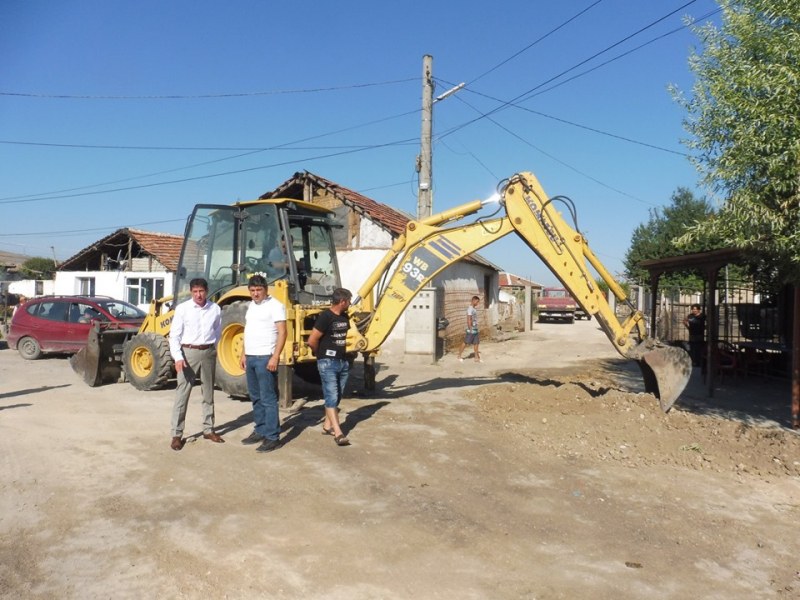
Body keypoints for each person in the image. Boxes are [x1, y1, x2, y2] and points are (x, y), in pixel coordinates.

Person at [168, 278, 223, 451]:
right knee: (182, 393)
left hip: (208, 353)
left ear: (206, 291)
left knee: (208, 393)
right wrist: (178, 357)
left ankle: (208, 429)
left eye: (201, 291)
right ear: (191, 292)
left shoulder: (215, 309)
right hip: (188, 353)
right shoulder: (183, 309)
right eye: (195, 292)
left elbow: (218, 331)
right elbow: (174, 335)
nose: (198, 295)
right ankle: (177, 434)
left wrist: (212, 348)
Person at [238, 274, 287, 454]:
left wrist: (275, 357)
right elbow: (248, 330)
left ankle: (273, 437)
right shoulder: (251, 306)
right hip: (251, 357)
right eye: (252, 290)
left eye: (259, 290)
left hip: (265, 357)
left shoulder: (275, 306)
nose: (256, 293)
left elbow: (282, 333)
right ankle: (260, 430)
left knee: (268, 399)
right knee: (256, 397)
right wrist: (244, 353)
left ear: (266, 290)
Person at [307, 288, 352, 447]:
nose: (350, 304)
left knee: (337, 395)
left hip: (342, 362)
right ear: (342, 302)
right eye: (349, 301)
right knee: (331, 395)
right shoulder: (325, 317)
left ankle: (327, 426)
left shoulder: (345, 317)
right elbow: (312, 340)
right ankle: (338, 433)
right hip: (327, 362)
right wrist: (320, 355)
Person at [457, 295, 482, 363]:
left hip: (475, 329)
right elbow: (468, 319)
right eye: (477, 302)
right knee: (465, 342)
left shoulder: (474, 309)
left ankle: (476, 358)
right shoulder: (470, 309)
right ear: (473, 301)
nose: (477, 303)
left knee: (476, 343)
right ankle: (459, 355)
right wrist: (470, 328)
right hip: (471, 329)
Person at [683, 303, 706, 367]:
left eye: (695, 309)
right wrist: (688, 327)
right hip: (692, 335)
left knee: (698, 349)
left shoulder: (702, 316)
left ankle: (699, 363)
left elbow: (708, 323)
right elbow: (685, 321)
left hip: (699, 335)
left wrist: (704, 328)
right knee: (692, 349)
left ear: (699, 310)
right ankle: (693, 362)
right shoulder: (690, 316)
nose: (694, 310)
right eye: (693, 309)